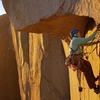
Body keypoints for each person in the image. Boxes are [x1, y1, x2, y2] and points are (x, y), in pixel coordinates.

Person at [65, 24, 100, 94]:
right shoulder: (75, 40)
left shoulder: (76, 41)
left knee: (88, 64)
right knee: (86, 71)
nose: (80, 33)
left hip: (77, 59)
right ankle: (94, 88)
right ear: (75, 34)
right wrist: (96, 30)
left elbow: (86, 44)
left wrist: (96, 42)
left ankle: (93, 79)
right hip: (76, 60)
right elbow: (88, 39)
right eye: (78, 32)